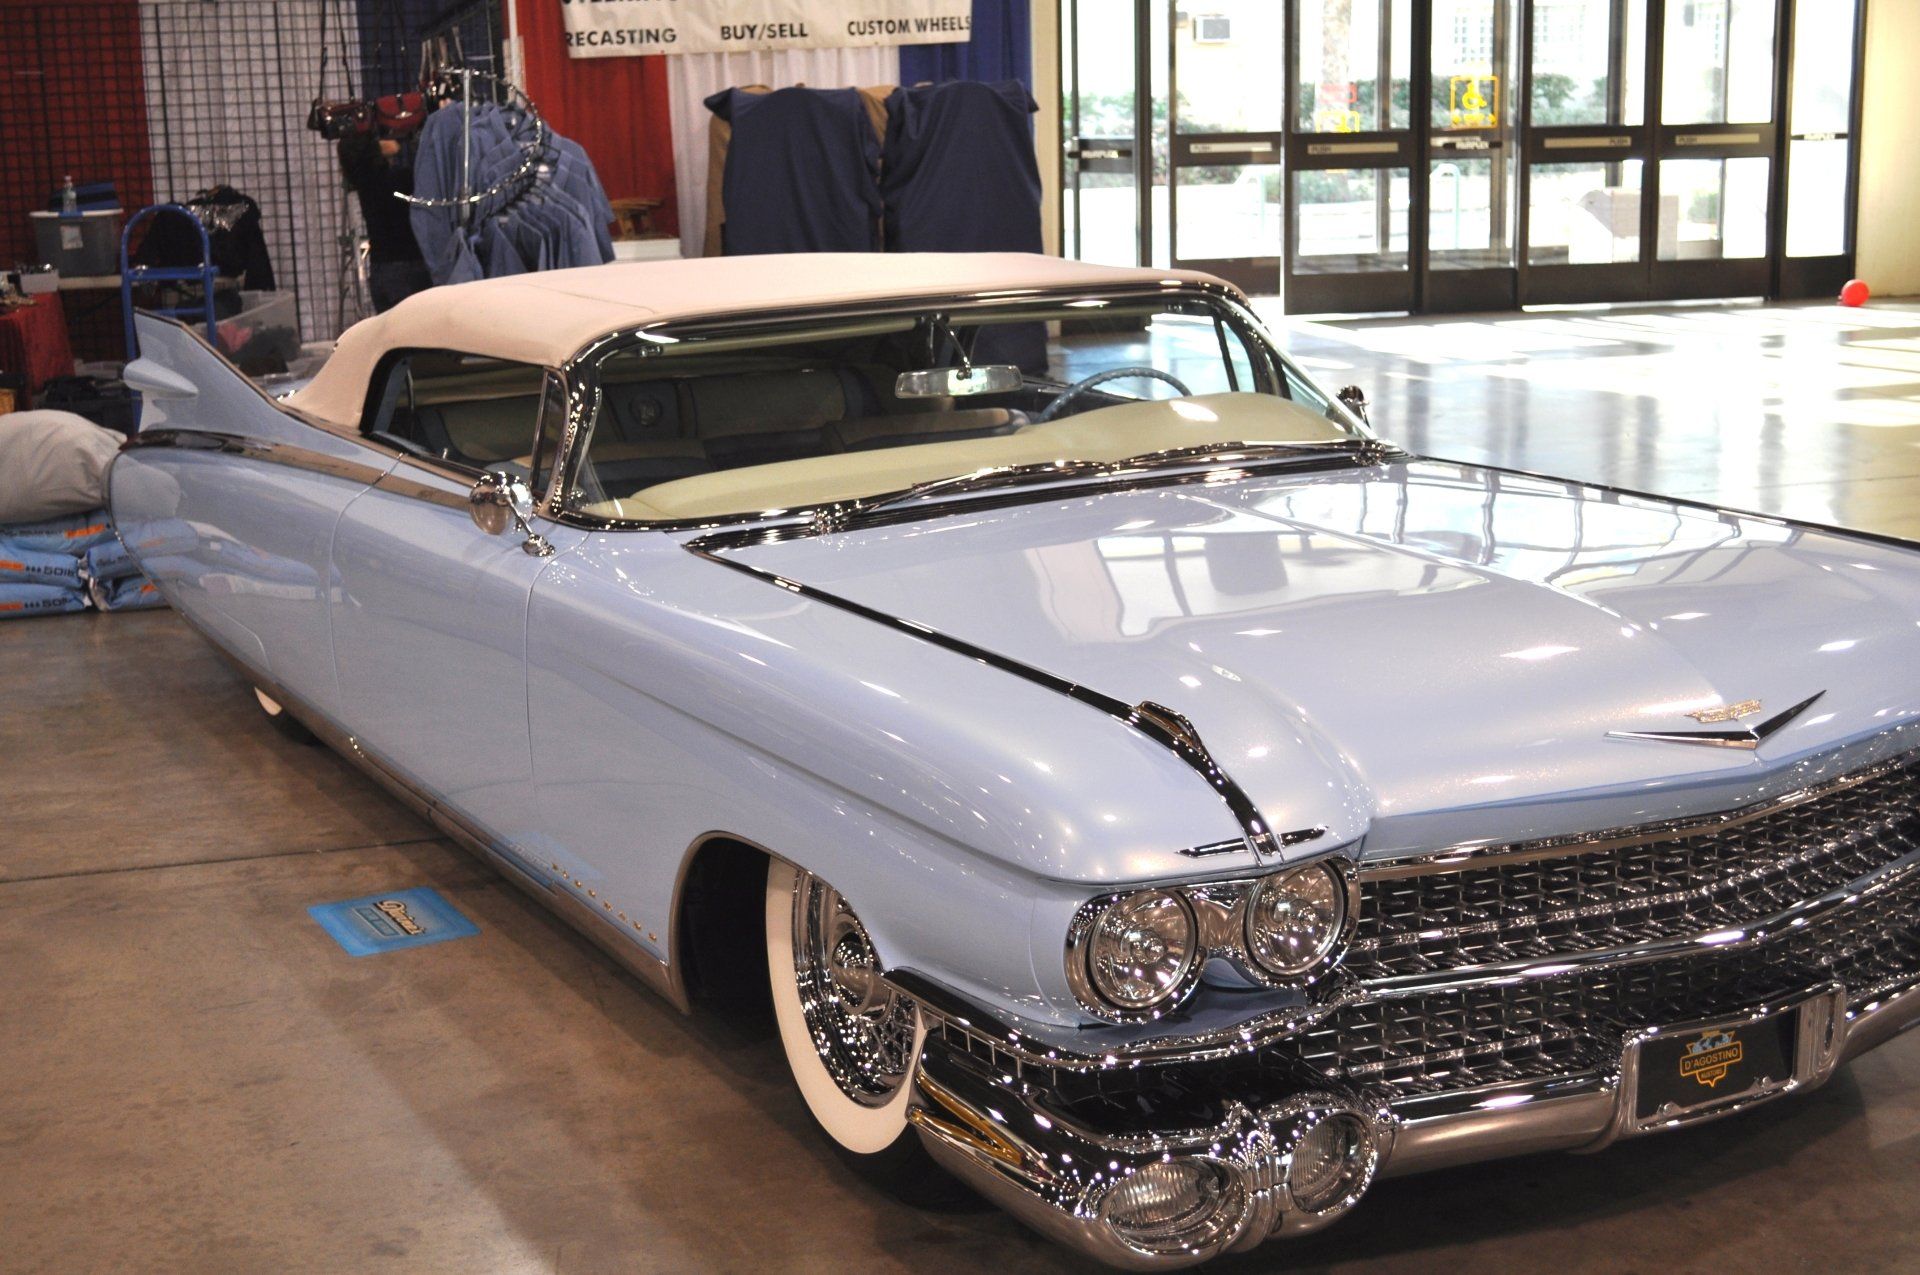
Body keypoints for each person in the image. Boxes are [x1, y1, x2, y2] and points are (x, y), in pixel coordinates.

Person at [337, 134, 432, 313]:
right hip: (410, 268)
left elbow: (351, 149)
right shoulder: (402, 180)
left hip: (381, 270)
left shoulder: (363, 183)